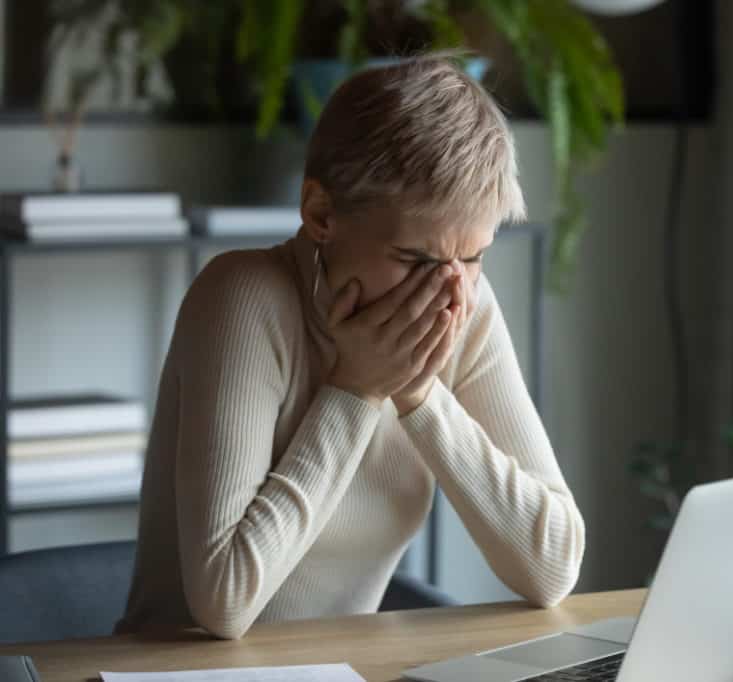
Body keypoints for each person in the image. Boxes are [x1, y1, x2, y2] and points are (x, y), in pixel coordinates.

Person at [116, 56, 585, 640]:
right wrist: (356, 391)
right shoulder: (243, 299)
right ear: (320, 215)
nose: (450, 292)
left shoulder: (468, 305)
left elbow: (553, 566)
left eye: (474, 256)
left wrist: (418, 392)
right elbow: (224, 603)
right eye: (415, 260)